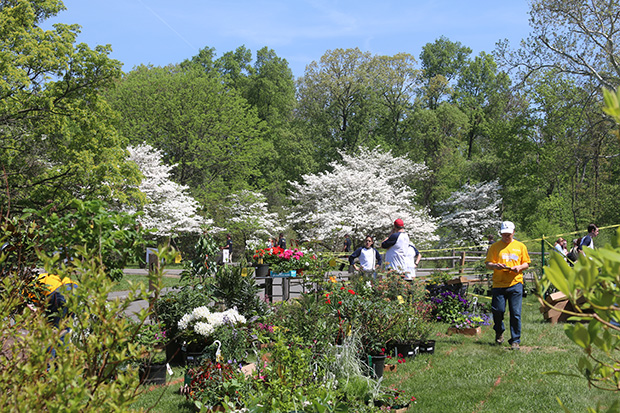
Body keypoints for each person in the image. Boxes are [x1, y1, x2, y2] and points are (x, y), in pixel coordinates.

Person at [485, 221, 531, 350]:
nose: (506, 237)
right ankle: (499, 331)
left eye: (508, 234)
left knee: (515, 313)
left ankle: (515, 340)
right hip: (498, 284)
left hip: (515, 283)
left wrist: (519, 267)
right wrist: (495, 265)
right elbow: (488, 263)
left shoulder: (520, 246)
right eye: (504, 234)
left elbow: (526, 263)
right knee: (498, 311)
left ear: (513, 233)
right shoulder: (494, 247)